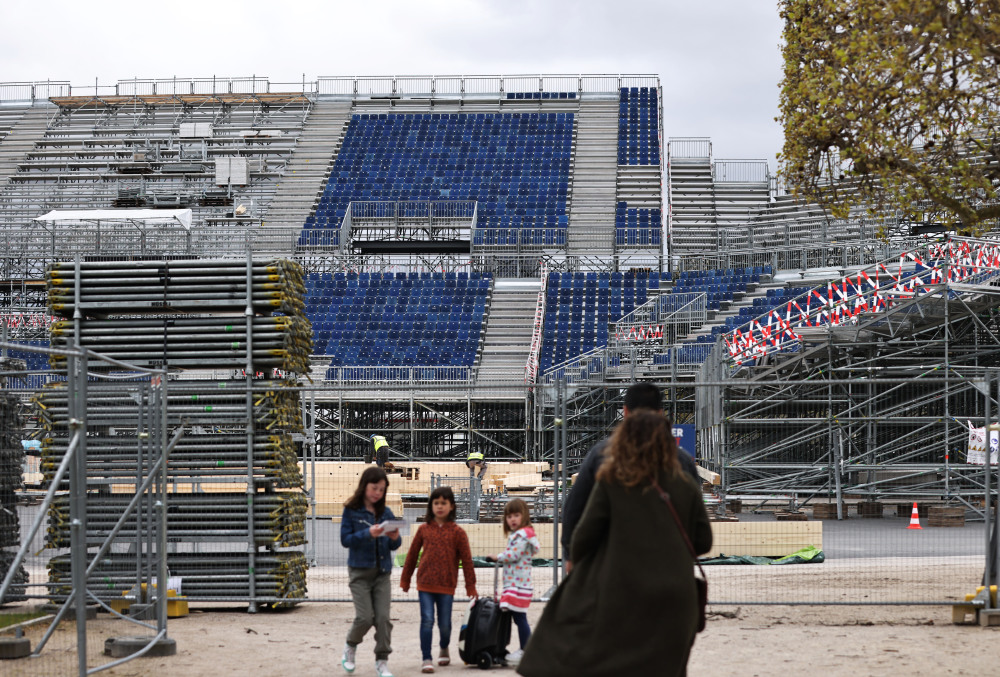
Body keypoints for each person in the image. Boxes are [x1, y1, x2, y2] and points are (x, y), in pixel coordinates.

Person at [517, 410, 713, 677]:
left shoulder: (612, 481)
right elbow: (703, 541)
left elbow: (583, 537)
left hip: (622, 592)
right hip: (675, 597)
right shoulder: (685, 484)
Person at [560, 381, 700, 567]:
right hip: (667, 570)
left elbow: (574, 510)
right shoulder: (681, 461)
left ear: (625, 412)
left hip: (615, 568)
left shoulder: (602, 455)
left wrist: (570, 554)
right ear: (660, 413)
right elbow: (699, 531)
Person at [400, 486, 478, 674]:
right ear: (431, 506)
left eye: (444, 503)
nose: (440, 506)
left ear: (451, 506)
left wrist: (471, 585)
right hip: (425, 583)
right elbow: (411, 556)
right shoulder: (424, 529)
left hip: (447, 585)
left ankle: (444, 646)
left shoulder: (458, 532)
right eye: (436, 503)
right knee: (426, 620)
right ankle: (426, 657)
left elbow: (467, 560)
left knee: (444, 623)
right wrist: (406, 579)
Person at [340, 467, 402, 677]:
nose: (378, 493)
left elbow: (396, 545)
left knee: (383, 619)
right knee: (365, 618)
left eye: (382, 490)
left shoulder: (385, 512)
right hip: (360, 573)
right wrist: (368, 533)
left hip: (382, 572)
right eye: (375, 488)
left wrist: (395, 538)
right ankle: (350, 646)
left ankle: (382, 660)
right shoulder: (351, 510)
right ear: (364, 486)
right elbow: (345, 540)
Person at [486, 498, 540, 667]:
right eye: (509, 516)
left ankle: (526, 650)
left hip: (518, 586)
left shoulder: (522, 536)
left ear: (524, 516)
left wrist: (497, 557)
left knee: (519, 618)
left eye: (516, 515)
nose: (513, 519)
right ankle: (510, 648)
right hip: (516, 584)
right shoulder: (520, 535)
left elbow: (514, 555)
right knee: (514, 616)